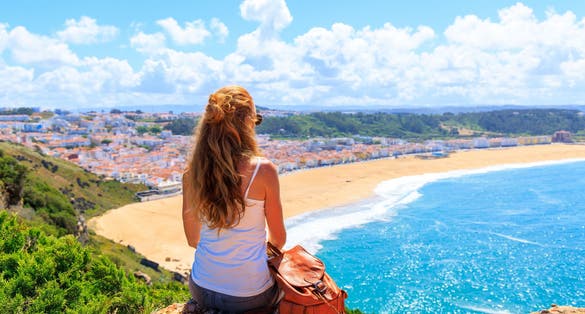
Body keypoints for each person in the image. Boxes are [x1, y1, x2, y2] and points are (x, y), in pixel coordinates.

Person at [182, 85, 287, 313]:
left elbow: (193, 240)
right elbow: (278, 239)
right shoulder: (264, 170)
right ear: (248, 121)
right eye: (255, 120)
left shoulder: (192, 175)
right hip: (248, 296)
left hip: (201, 288)